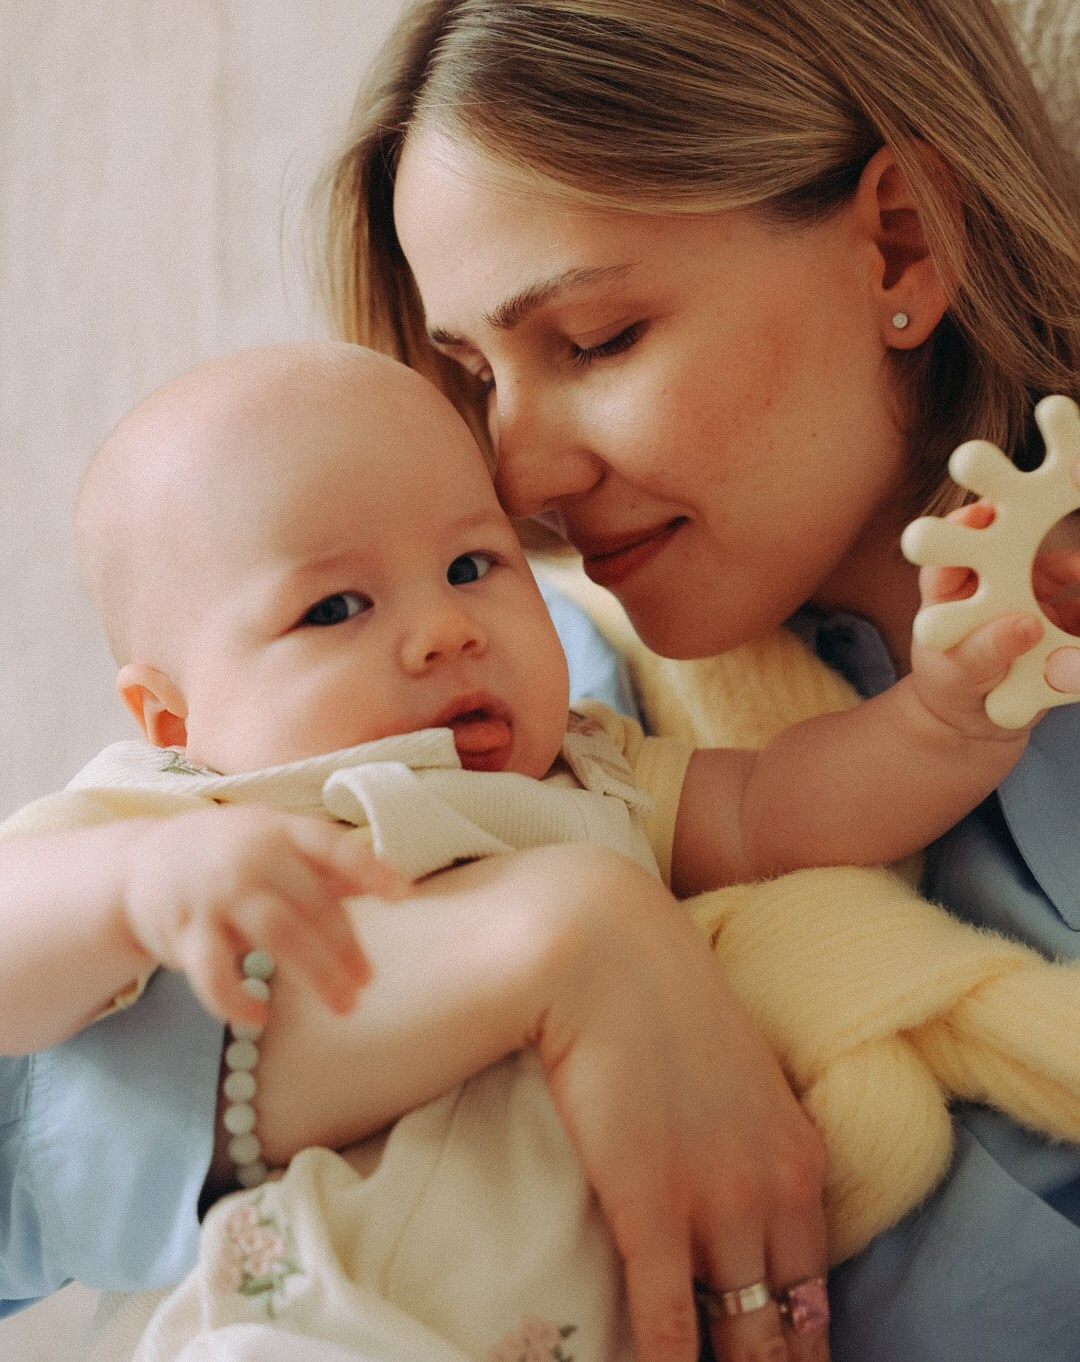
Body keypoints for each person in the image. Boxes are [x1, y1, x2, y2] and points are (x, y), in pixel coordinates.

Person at [319, 0, 1080, 1362]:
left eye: (595, 342)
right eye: (471, 375)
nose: (517, 479)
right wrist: (568, 937)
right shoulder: (543, 730)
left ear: (901, 243)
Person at [1, 339, 1069, 1362]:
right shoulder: (203, 813)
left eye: (473, 564)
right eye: (335, 607)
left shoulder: (588, 773)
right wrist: (134, 889)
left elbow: (775, 810)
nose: (445, 629)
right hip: (298, 1321)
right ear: (171, 720)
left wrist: (944, 723)